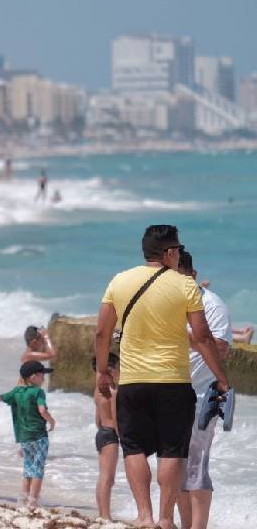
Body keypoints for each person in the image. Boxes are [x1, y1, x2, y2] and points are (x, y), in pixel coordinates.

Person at [95, 225, 229, 529]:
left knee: (134, 448)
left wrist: (102, 371)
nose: (179, 254)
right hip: (174, 382)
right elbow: (203, 337)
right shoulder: (185, 286)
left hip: (133, 381)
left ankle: (145, 516)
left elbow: (102, 332)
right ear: (169, 252)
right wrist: (221, 377)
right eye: (178, 249)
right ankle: (166, 518)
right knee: (172, 451)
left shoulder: (119, 281)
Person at [176, 251, 233, 529]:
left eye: (181, 277)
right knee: (174, 464)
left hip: (201, 396)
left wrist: (181, 334)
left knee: (196, 466)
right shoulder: (165, 303)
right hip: (169, 392)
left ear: (193, 275)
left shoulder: (212, 304)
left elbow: (221, 348)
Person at [0, 361, 56, 509]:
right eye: (42, 375)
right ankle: (33, 501)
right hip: (39, 435)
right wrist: (52, 421)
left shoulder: (16, 392)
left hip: (24, 436)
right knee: (38, 468)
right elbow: (42, 410)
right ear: (33, 377)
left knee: (28, 467)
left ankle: (24, 497)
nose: (44, 378)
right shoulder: (38, 392)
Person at [93, 353, 121, 520]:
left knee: (103, 476)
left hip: (101, 433)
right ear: (111, 371)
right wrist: (121, 437)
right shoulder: (113, 392)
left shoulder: (98, 391)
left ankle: (102, 513)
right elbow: (116, 419)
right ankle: (105, 515)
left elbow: (97, 420)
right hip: (111, 434)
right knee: (108, 478)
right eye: (117, 369)